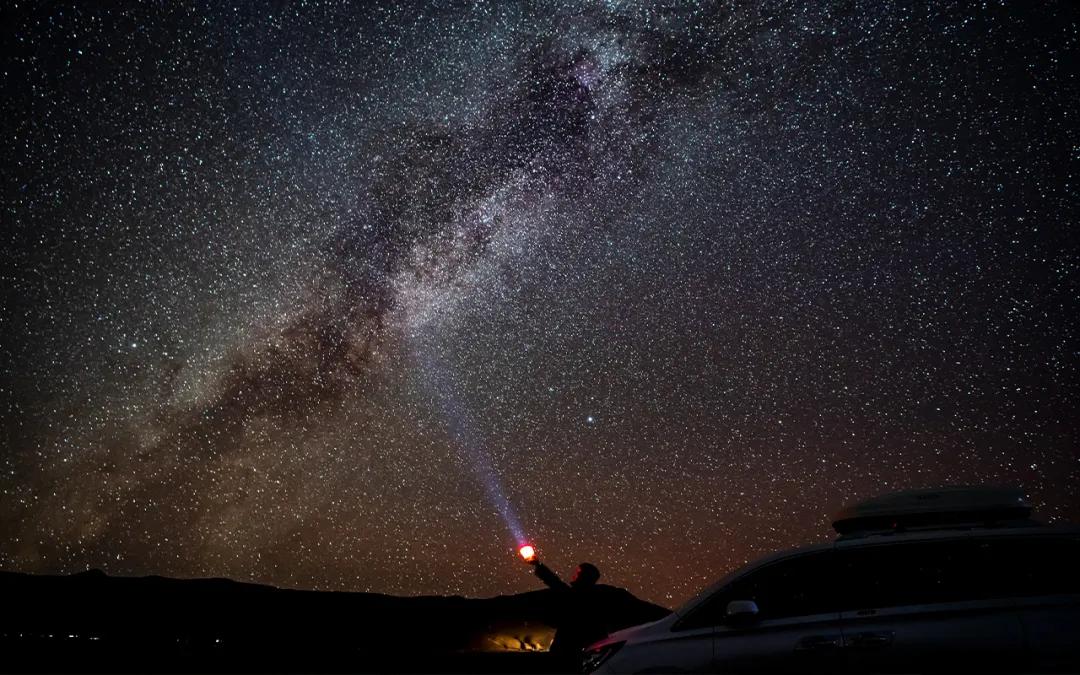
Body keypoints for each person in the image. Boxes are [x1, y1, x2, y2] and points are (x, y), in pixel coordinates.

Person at [527, 557, 610, 670]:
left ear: (584, 577)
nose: (574, 575)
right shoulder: (594, 600)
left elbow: (555, 582)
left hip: (567, 652)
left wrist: (538, 565)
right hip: (577, 654)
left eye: (578, 573)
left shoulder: (579, 597)